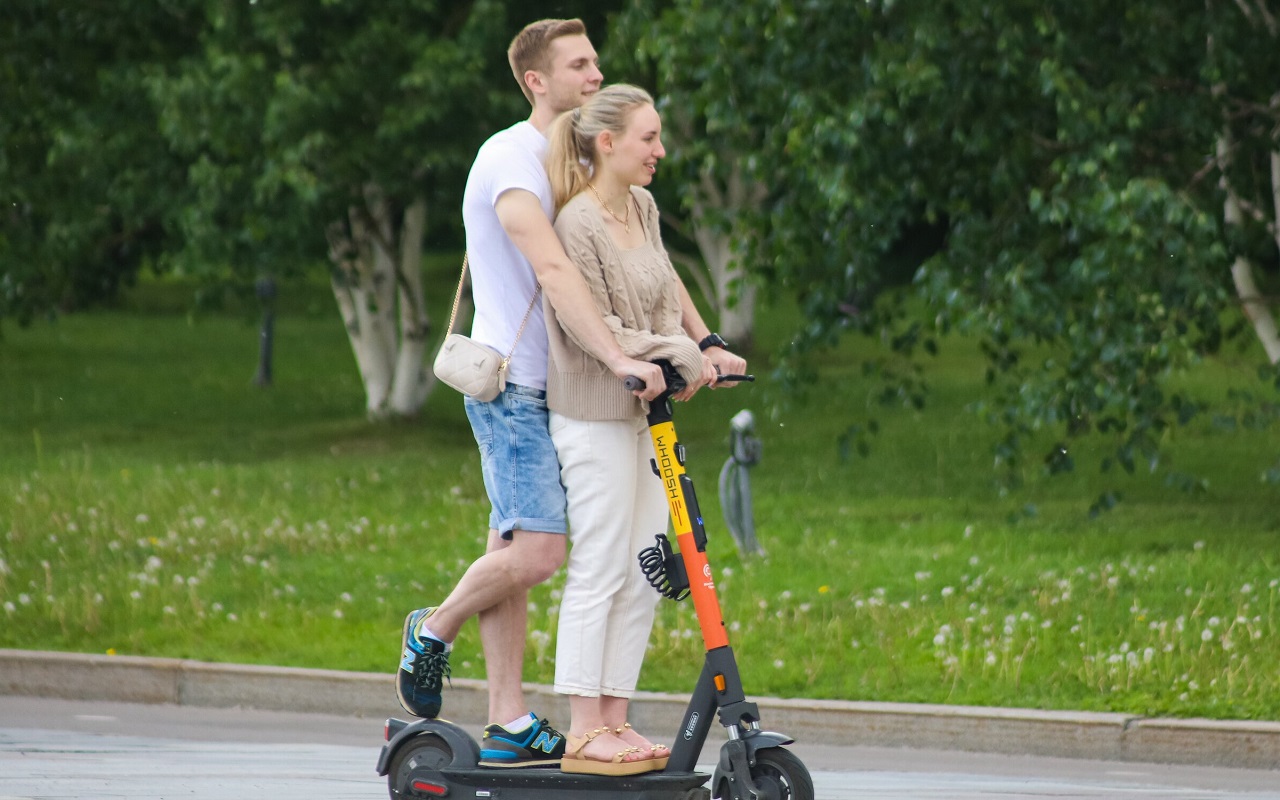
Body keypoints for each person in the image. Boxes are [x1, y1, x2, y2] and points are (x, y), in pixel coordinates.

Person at [395, 19, 746, 770]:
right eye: (578, 65)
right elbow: (558, 272)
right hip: (516, 382)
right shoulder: (510, 158)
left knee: (517, 546)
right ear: (536, 81)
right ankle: (433, 627)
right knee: (540, 550)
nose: (595, 75)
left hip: (574, 381)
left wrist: (705, 340)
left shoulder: (590, 161)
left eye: (596, 63)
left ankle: (508, 719)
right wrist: (622, 355)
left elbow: (653, 264)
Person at [542, 84, 725, 776]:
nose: (661, 150)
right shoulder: (577, 223)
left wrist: (706, 344)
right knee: (603, 563)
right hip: (593, 413)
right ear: (608, 142)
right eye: (650, 138)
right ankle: (582, 728)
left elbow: (667, 290)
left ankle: (615, 720)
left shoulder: (642, 206)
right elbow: (599, 327)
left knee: (649, 564)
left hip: (648, 412)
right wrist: (681, 354)